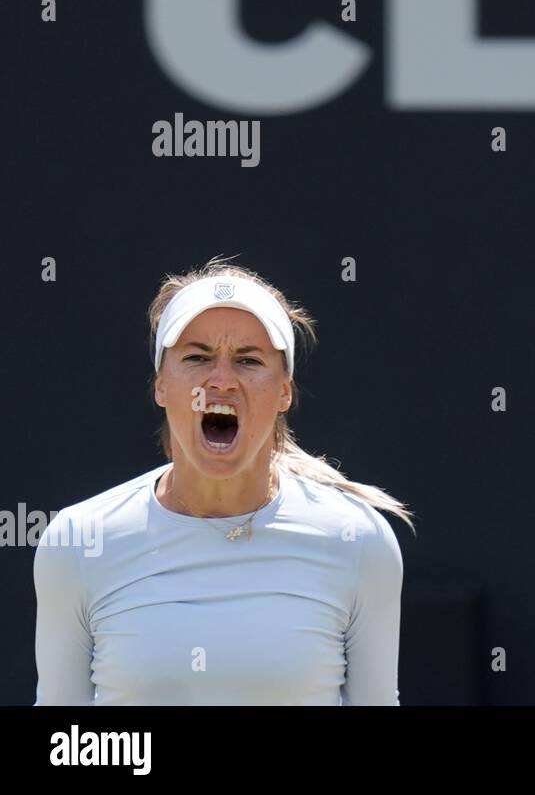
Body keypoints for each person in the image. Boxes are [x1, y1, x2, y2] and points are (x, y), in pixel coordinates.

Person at [33, 258, 414, 704]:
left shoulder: (360, 542)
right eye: (197, 357)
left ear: (284, 392)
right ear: (161, 386)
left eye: (248, 361)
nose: (222, 381)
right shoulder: (79, 542)